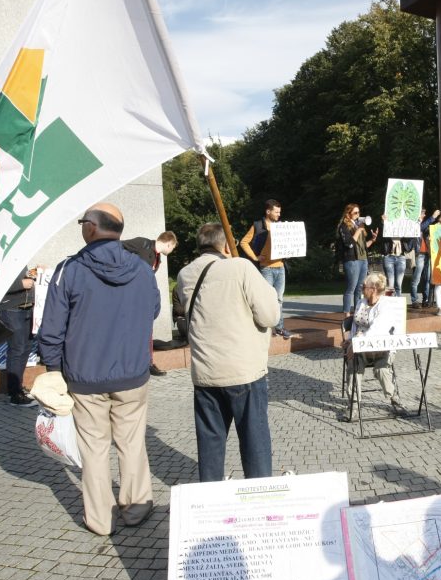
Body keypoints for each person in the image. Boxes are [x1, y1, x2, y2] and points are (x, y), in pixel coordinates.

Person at [38, 203, 160, 535]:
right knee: (132, 441)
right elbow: (153, 309)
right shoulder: (141, 268)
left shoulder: (69, 270)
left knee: (93, 449)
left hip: (84, 376)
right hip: (132, 374)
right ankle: (135, 507)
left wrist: (53, 370)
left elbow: (51, 330)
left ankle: (101, 519)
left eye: (81, 222)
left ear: (91, 227)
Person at [176, 223, 280, 481]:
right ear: (224, 245)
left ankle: (210, 498)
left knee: (210, 444)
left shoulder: (185, 274)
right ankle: (259, 497)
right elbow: (270, 316)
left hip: (205, 373)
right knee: (254, 442)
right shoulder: (240, 267)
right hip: (243, 370)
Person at [343, 272, 403, 420]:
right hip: (360, 348)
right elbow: (356, 326)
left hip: (381, 348)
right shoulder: (361, 302)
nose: (362, 288)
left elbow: (376, 330)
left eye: (364, 286)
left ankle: (395, 400)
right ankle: (354, 405)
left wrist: (354, 345)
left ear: (374, 289)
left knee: (382, 370)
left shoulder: (385, 305)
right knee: (354, 367)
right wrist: (350, 341)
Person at [239, 199, 299, 340]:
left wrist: (289, 252)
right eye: (276, 212)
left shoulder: (282, 226)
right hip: (266, 268)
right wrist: (255, 257)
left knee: (279, 299)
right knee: (265, 299)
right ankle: (264, 329)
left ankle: (279, 328)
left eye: (280, 212)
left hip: (280, 267)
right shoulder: (258, 225)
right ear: (268, 211)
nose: (279, 214)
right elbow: (243, 242)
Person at [122, 230, 178, 375]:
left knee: (147, 332)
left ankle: (148, 364)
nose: (172, 251)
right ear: (169, 243)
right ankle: (130, 364)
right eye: (173, 247)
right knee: (129, 331)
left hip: (144, 298)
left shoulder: (157, 258)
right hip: (129, 296)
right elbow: (118, 247)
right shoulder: (142, 243)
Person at [0, 266, 37, 406]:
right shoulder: (3, 255)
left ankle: (18, 387)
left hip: (26, 307)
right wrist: (20, 284)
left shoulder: (20, 258)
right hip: (10, 308)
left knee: (26, 347)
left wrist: (33, 272)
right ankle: (14, 394)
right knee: (17, 348)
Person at [337, 204, 378, 314]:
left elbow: (364, 246)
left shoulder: (359, 226)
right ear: (348, 214)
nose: (358, 215)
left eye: (359, 212)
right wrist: (358, 231)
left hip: (363, 260)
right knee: (351, 288)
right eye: (355, 213)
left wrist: (373, 240)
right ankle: (346, 314)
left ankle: (357, 312)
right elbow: (349, 244)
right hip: (352, 261)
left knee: (360, 289)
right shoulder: (344, 226)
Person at [380, 214, 415, 298]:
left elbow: (410, 238)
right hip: (389, 257)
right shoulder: (387, 227)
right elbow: (381, 234)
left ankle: (398, 303)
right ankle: (390, 303)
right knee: (391, 284)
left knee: (398, 284)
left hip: (401, 257)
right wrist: (383, 222)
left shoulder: (404, 228)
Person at [411, 208, 439, 308]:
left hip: (427, 254)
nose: (424, 214)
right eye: (422, 213)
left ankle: (425, 300)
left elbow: (427, 229)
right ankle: (414, 300)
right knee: (416, 279)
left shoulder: (425, 226)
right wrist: (433, 217)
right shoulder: (413, 225)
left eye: (424, 213)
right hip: (419, 255)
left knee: (427, 279)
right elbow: (420, 227)